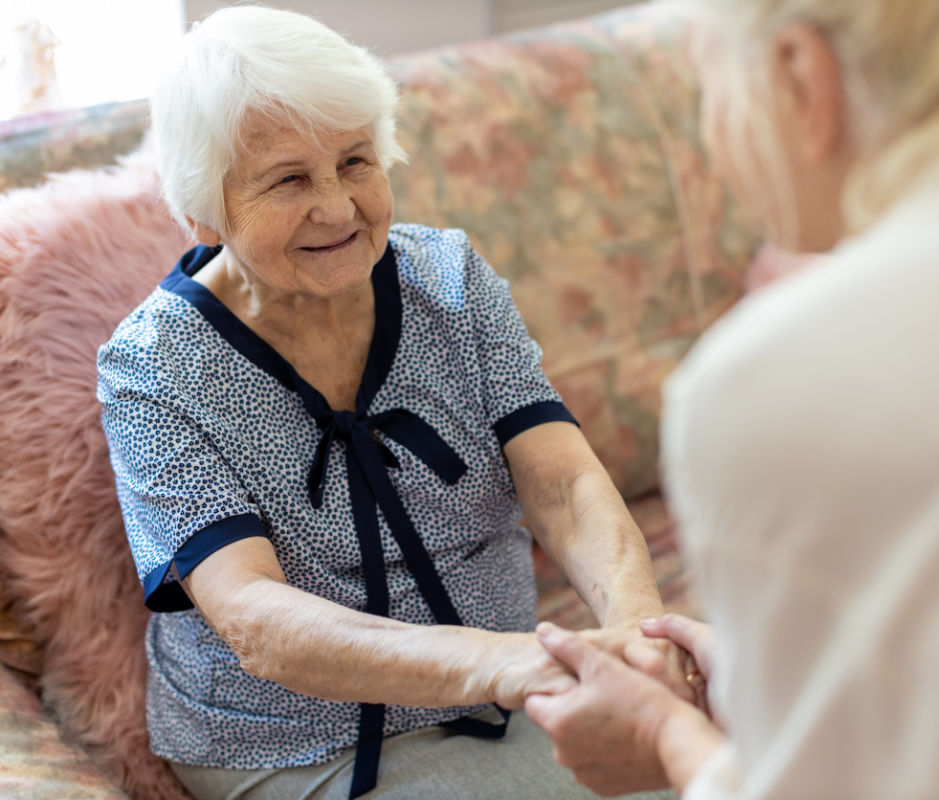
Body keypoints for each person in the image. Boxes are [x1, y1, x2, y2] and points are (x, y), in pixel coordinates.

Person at [525, 0, 939, 797]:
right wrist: (761, 687)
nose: (713, 136)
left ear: (800, 75)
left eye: (709, 85)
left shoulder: (770, 381)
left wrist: (668, 737)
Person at [96, 7, 683, 800]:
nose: (339, 208)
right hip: (293, 733)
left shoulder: (450, 279)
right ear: (204, 208)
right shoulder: (152, 369)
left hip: (512, 678)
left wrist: (635, 638)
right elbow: (256, 619)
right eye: (289, 179)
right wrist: (514, 663)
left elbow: (564, 485)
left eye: (356, 161)